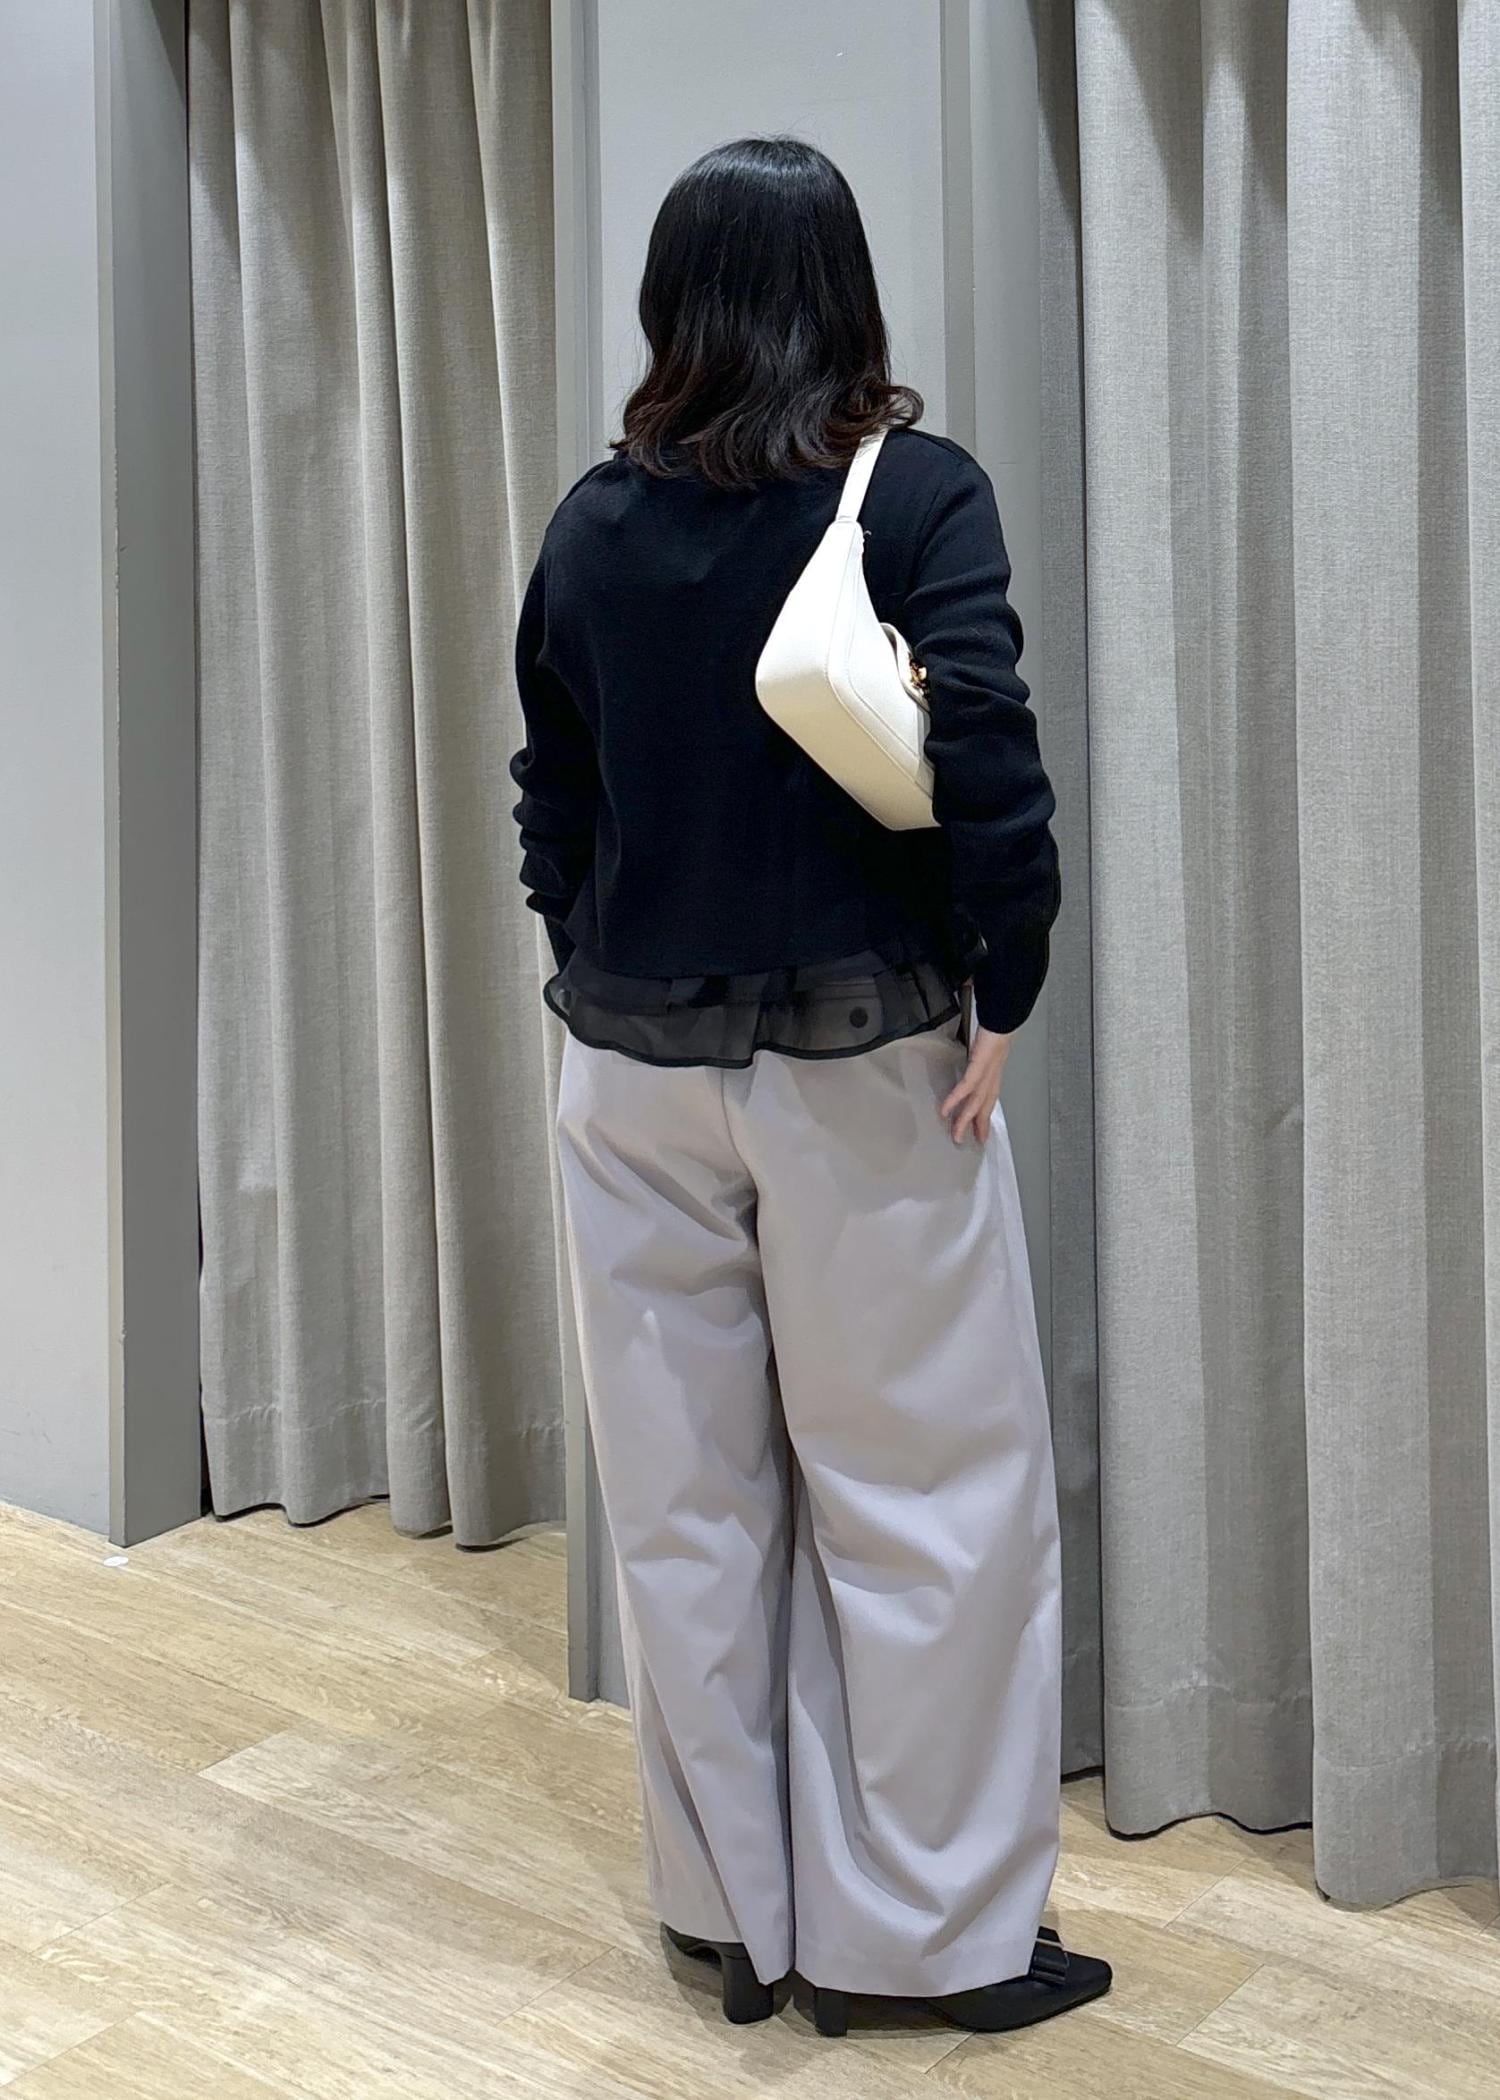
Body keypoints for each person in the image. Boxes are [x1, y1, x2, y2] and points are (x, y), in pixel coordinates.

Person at [508, 134, 1110, 2038]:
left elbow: (551, 793)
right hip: (865, 1072)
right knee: (926, 1502)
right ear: (842, 293)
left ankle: (733, 1925)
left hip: (629, 1076)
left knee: (683, 1509)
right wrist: (1006, 977)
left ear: (671, 304)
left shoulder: (594, 523)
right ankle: (923, 1941)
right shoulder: (913, 494)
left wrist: (594, 954)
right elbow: (986, 745)